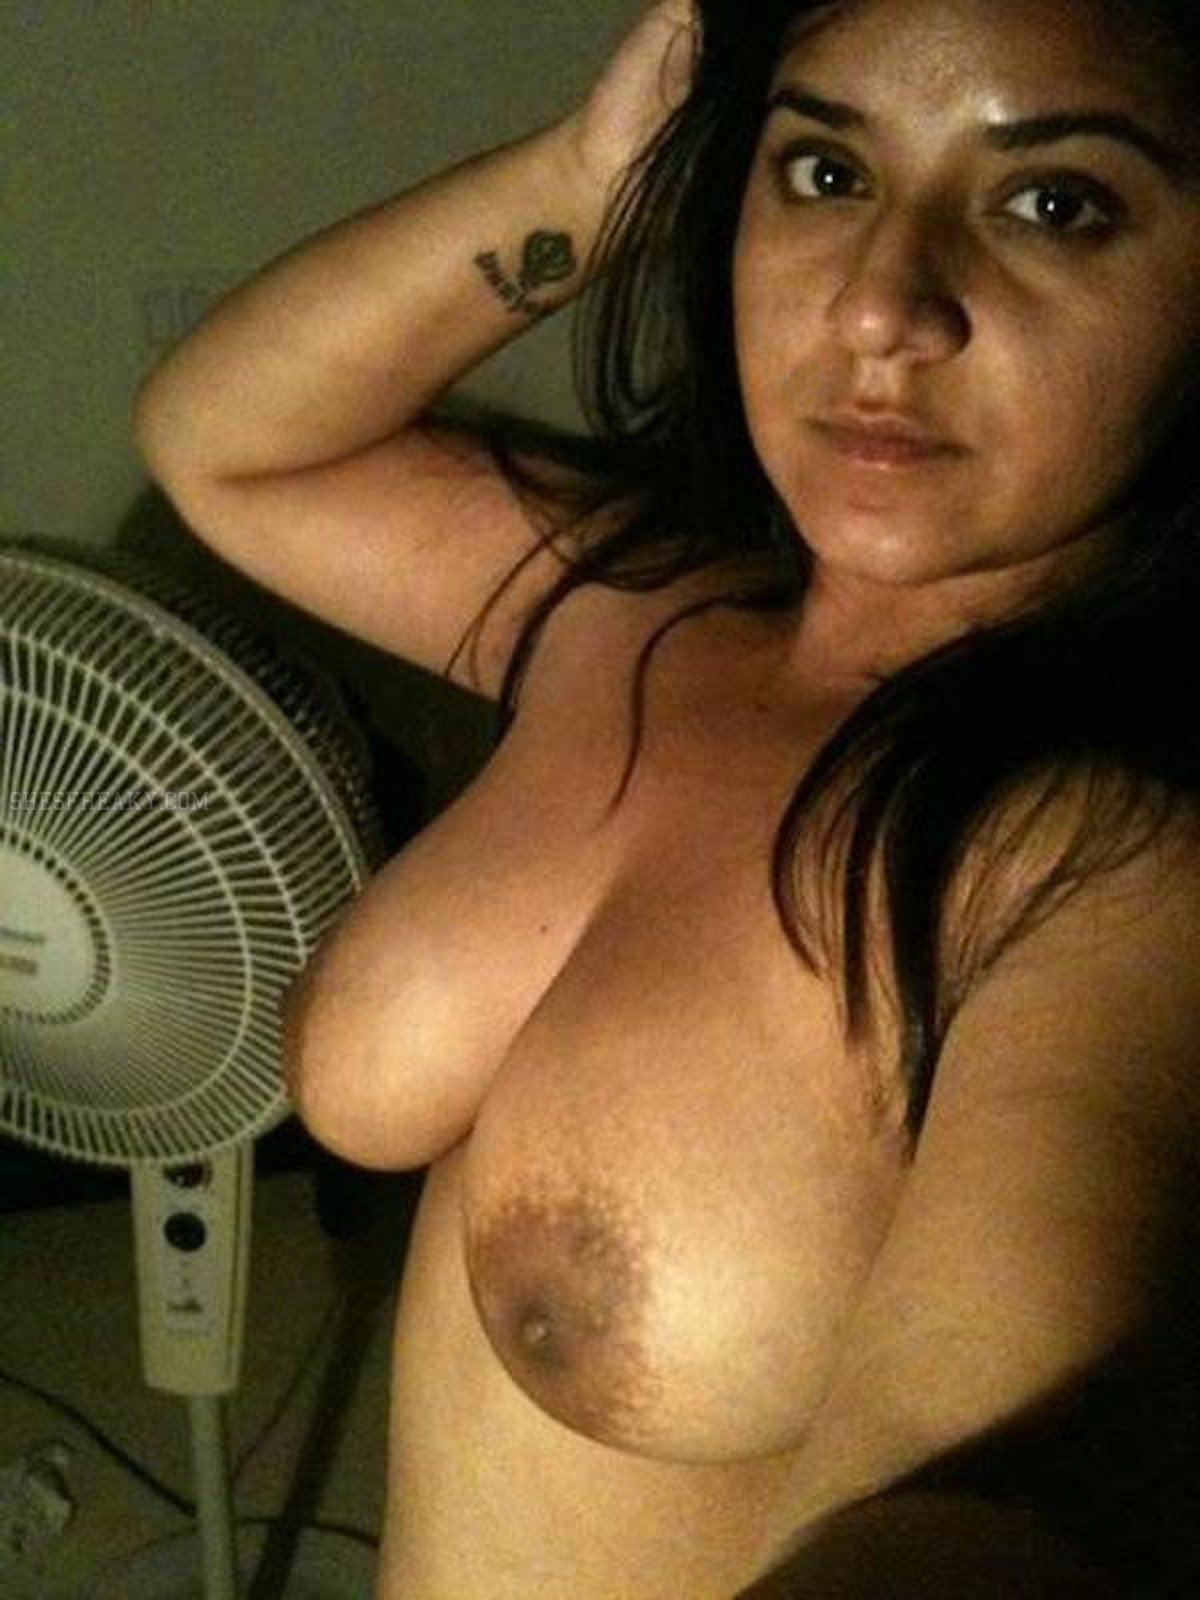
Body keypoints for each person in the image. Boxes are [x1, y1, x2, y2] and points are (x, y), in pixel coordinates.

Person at [132, 0, 1200, 1593]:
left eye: (1054, 202)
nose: (881, 306)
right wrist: (587, 177)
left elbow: (983, 1512)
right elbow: (225, 442)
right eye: (826, 172)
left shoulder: (1110, 880)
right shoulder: (636, 609)